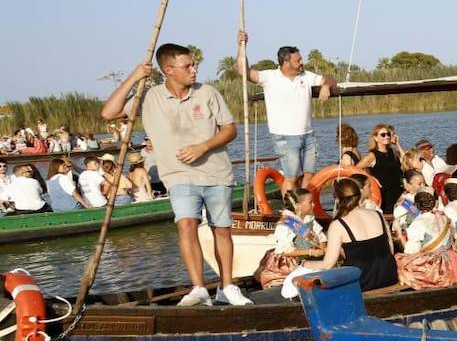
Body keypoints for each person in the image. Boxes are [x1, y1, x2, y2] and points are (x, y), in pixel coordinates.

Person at [101, 44, 249, 306]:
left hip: (216, 172)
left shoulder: (207, 93)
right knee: (186, 224)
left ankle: (227, 286)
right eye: (187, 66)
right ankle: (199, 287)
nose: (194, 70)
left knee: (222, 229)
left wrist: (203, 146)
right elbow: (108, 113)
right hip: (179, 175)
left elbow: (230, 130)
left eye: (194, 65)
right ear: (168, 70)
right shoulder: (148, 98)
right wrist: (135, 77)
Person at [237, 32, 334, 191]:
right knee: (292, 178)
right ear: (286, 63)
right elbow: (243, 72)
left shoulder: (306, 76)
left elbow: (330, 79)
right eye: (298, 60)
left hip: (308, 134)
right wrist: (242, 47)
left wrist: (325, 86)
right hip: (285, 137)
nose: (302, 62)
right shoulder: (269, 77)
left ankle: (301, 208)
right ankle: (291, 212)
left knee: (309, 175)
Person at [289, 177, 398, 294]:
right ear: (358, 194)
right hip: (388, 276)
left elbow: (327, 265)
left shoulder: (338, 225)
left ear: (337, 199)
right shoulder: (378, 215)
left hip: (361, 282)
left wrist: (303, 264)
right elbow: (390, 250)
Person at [254, 189, 326, 289]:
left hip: (311, 257)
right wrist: (310, 252)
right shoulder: (285, 224)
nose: (313, 205)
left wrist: (322, 248)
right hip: (291, 262)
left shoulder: (309, 219)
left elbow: (321, 237)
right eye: (310, 202)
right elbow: (285, 251)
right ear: (297, 205)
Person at [356, 124, 405, 211]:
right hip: (384, 194)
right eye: (383, 135)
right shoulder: (372, 155)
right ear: (375, 138)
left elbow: (406, 162)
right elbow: (355, 170)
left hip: (399, 191)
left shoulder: (393, 151)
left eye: (388, 134)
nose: (387, 136)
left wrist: (398, 144)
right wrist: (371, 178)